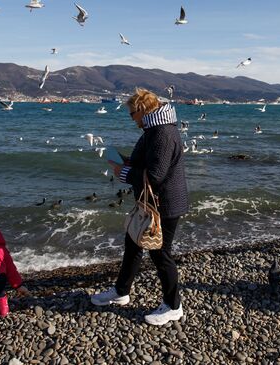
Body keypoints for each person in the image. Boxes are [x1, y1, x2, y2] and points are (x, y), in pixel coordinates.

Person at [91, 89, 189, 326]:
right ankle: (121, 291)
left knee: (160, 254)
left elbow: (155, 175)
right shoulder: (153, 130)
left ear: (144, 111)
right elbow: (147, 164)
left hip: (164, 204)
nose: (131, 118)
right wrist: (126, 161)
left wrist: (122, 172)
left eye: (132, 113)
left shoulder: (163, 133)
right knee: (133, 243)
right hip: (152, 202)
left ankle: (173, 306)